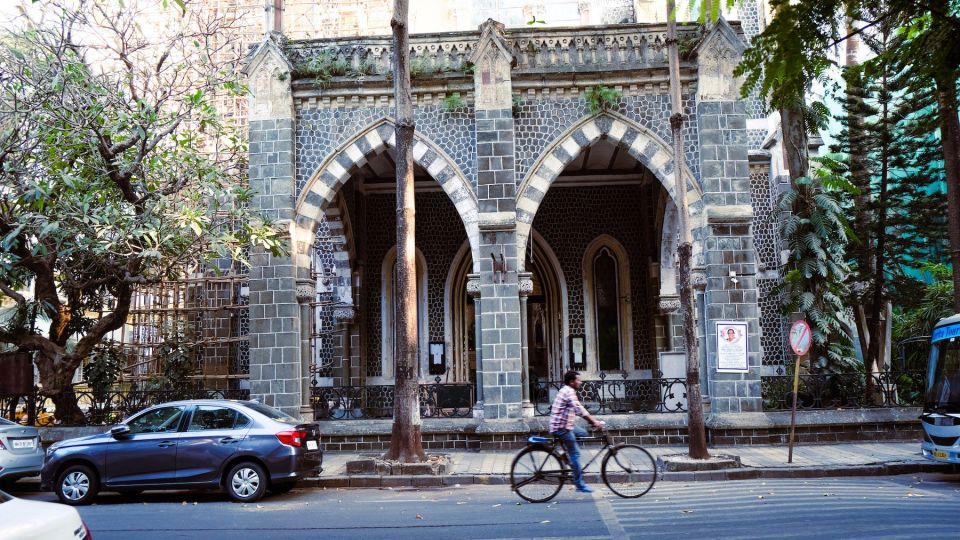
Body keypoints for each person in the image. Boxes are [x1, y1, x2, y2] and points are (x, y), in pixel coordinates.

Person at [550, 370, 604, 493]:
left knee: (583, 433)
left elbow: (579, 408)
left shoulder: (568, 390)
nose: (580, 382)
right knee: (576, 454)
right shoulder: (568, 392)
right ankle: (579, 484)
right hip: (561, 427)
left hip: (566, 424)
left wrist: (592, 421)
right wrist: (594, 422)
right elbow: (579, 410)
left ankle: (568, 456)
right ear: (571, 381)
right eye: (578, 380)